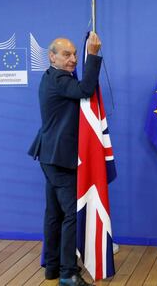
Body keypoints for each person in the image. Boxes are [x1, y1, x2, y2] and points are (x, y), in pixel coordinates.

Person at [28, 32, 102, 286]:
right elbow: (85, 89)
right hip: (58, 158)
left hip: (50, 156)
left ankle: (52, 266)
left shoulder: (52, 76)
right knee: (71, 213)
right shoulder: (60, 79)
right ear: (52, 57)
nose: (73, 59)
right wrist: (92, 56)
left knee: (54, 214)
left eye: (75, 54)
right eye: (66, 54)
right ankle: (68, 273)